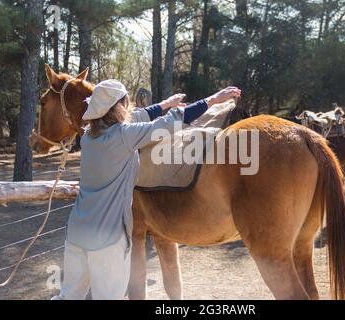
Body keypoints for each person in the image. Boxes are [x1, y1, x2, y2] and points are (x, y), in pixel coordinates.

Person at [52, 79, 241, 300]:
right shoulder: (124, 137)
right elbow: (171, 123)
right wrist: (212, 101)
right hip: (107, 239)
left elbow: (138, 116)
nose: (129, 107)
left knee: (68, 296)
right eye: (125, 102)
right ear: (118, 107)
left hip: (76, 232)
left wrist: (164, 104)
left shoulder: (87, 137)